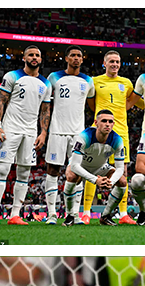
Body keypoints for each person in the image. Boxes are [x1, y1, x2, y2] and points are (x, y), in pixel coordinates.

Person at [0, 44, 50, 226]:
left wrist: (43, 132)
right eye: (30, 55)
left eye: (37, 55)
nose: (34, 57)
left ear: (41, 59)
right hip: (11, 128)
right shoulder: (12, 76)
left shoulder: (45, 84)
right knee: (3, 169)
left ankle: (15, 215)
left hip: (30, 132)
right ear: (24, 58)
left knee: (24, 173)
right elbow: (0, 101)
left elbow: (45, 110)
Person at [41, 46, 94, 223]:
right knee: (53, 170)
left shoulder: (88, 81)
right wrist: (44, 130)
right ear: (66, 58)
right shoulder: (54, 77)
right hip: (57, 130)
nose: (76, 58)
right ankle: (51, 214)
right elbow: (46, 105)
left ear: (82, 59)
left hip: (78, 134)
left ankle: (73, 214)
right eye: (72, 55)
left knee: (77, 173)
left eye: (79, 55)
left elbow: (93, 104)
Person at [83, 50, 136, 223]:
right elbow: (91, 104)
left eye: (117, 61)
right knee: (92, 168)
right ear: (104, 63)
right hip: (98, 132)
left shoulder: (127, 83)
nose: (115, 64)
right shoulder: (95, 81)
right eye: (111, 61)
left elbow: (130, 103)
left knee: (123, 172)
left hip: (121, 132)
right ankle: (86, 212)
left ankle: (122, 214)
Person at [61, 109, 128, 225]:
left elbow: (120, 169)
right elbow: (75, 165)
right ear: (96, 123)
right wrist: (95, 180)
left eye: (110, 121)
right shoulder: (84, 136)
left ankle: (106, 216)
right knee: (71, 176)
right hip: (81, 166)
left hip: (100, 167)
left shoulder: (117, 140)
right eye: (104, 121)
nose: (107, 124)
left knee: (122, 181)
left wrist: (110, 182)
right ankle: (70, 215)